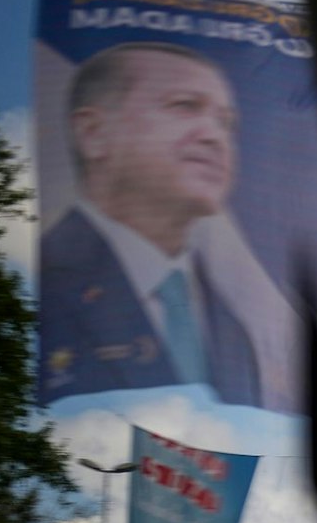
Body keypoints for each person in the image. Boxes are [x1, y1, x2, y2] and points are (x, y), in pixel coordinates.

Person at [38, 42, 261, 406]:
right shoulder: (34, 282)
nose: (215, 136)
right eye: (185, 106)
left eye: (226, 123)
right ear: (93, 133)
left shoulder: (233, 331)